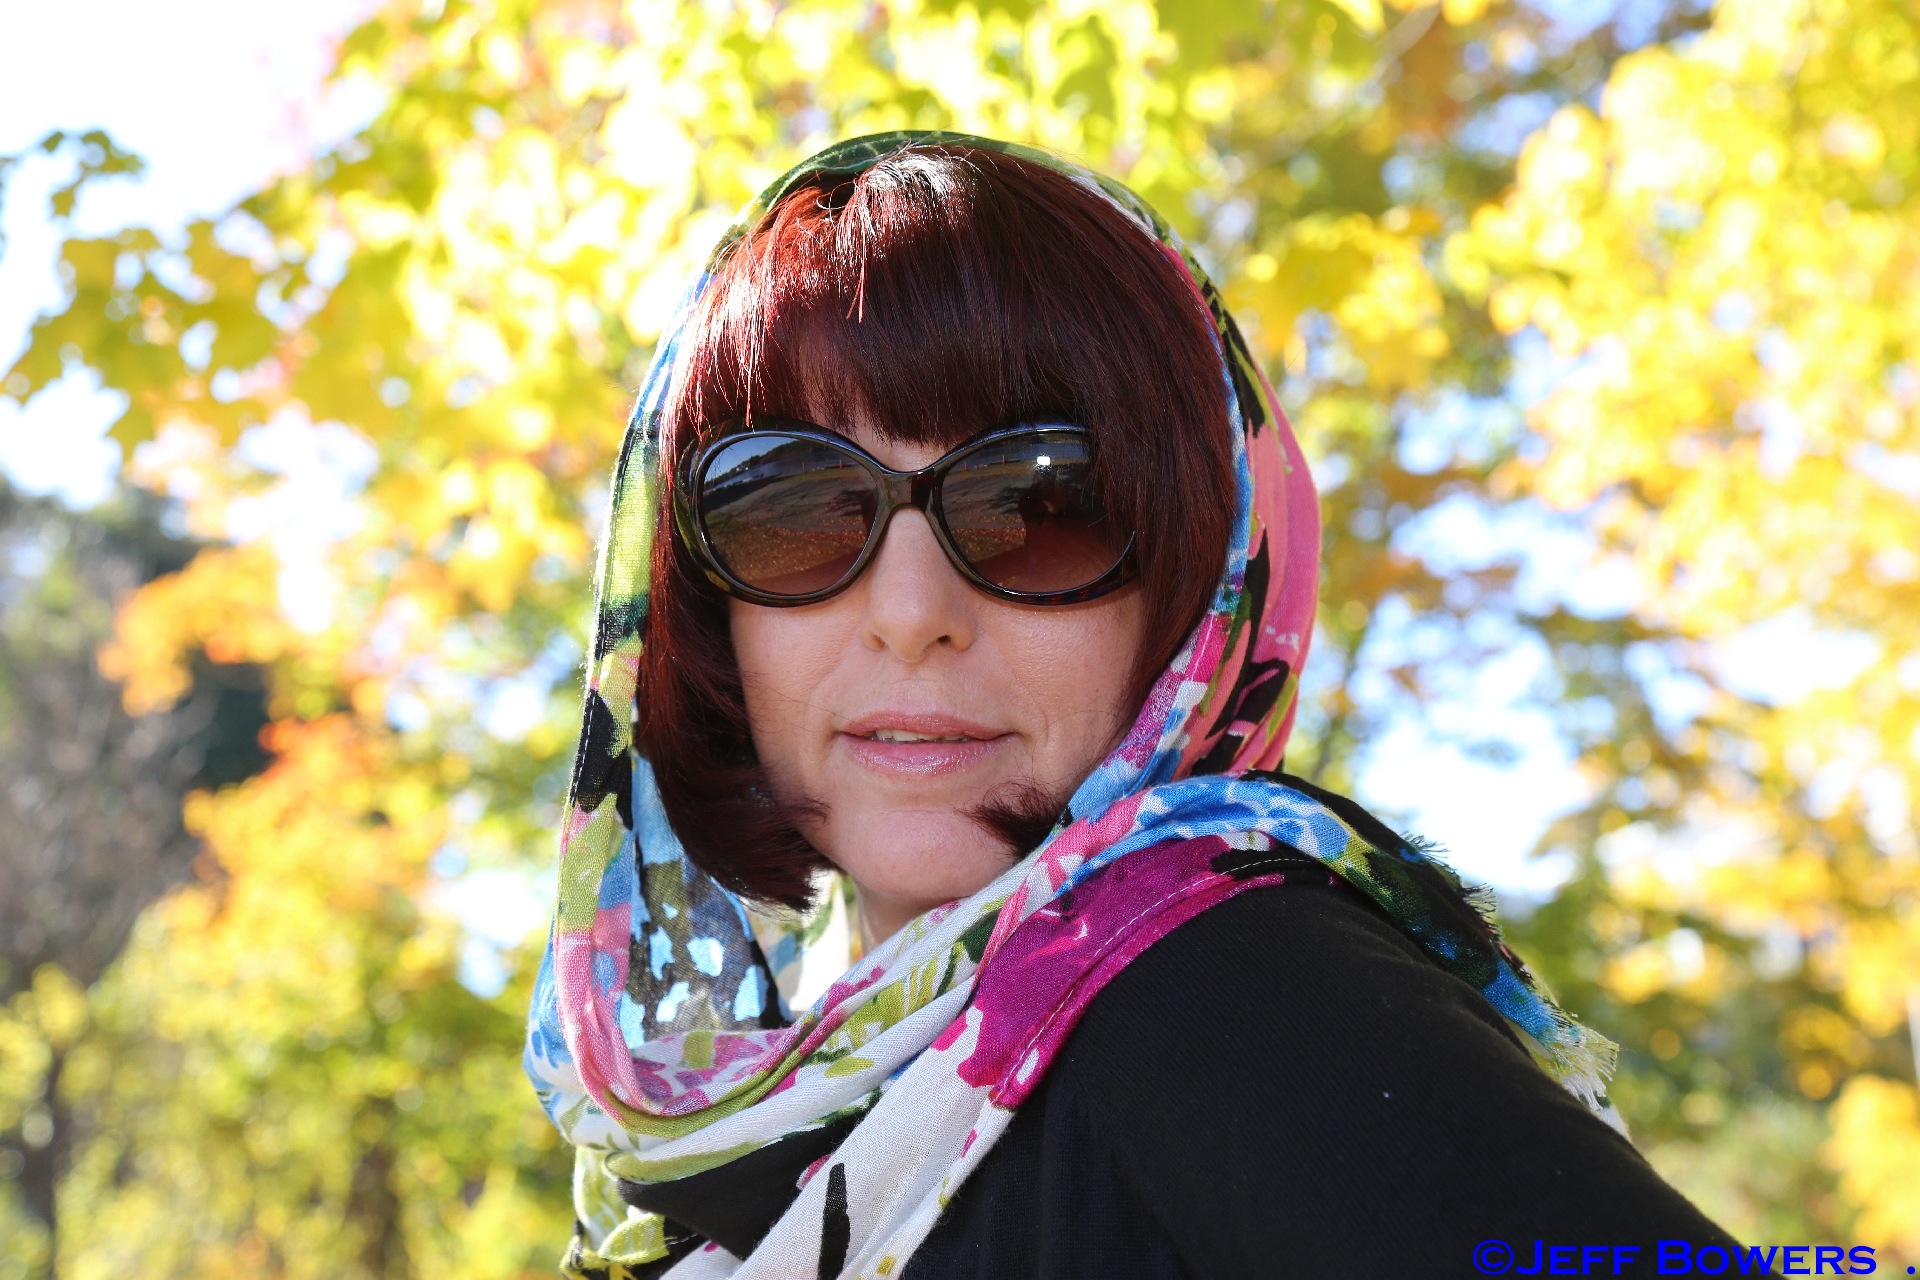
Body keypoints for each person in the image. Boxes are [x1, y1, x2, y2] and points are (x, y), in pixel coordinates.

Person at [524, 133, 1747, 1279]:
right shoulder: (736, 1109)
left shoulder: (1228, 988)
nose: (910, 610)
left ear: (1197, 585)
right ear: (700, 601)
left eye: (1046, 504)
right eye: (790, 507)